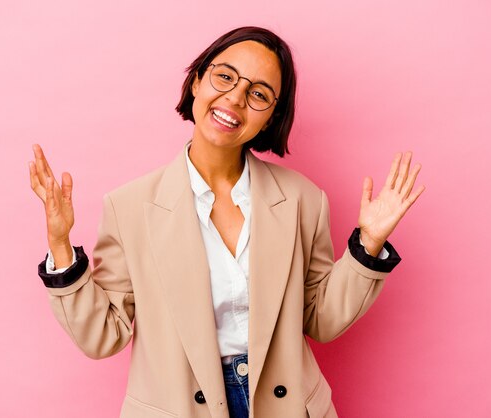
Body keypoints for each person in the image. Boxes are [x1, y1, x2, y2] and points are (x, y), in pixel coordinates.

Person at [28, 26, 424, 418]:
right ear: (198, 81)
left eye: (258, 94)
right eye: (224, 76)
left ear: (270, 118)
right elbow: (102, 336)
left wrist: (368, 245)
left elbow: (320, 318)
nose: (234, 98)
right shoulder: (130, 206)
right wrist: (61, 244)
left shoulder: (303, 199)